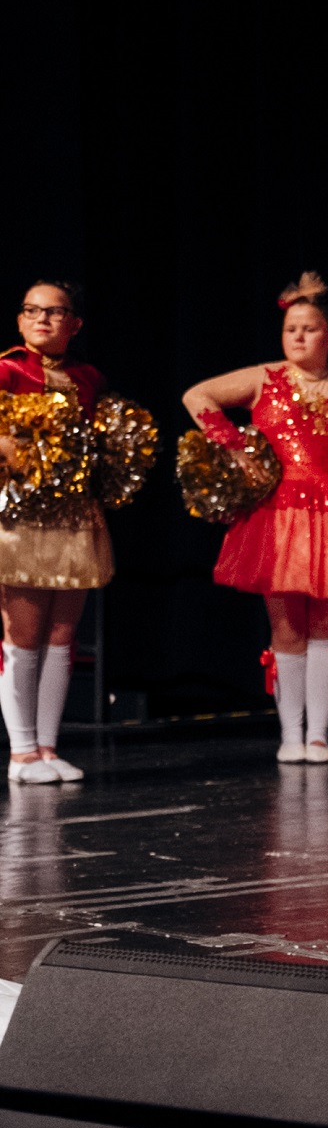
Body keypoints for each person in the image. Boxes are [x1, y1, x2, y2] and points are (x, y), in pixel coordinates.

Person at [182, 273, 328, 763]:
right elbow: (196, 395)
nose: (298, 338)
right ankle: (291, 733)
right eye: (291, 329)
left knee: (327, 626)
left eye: (309, 329)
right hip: (279, 513)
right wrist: (232, 445)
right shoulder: (264, 377)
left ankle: (319, 734)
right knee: (286, 626)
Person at [0, 282, 115, 783]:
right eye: (32, 311)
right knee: (22, 635)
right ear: (20, 321)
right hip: (21, 517)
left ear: (75, 324)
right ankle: (20, 751)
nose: (42, 319)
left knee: (63, 634)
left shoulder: (88, 378)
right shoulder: (6, 369)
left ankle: (48, 747)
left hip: (73, 516)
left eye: (55, 312)